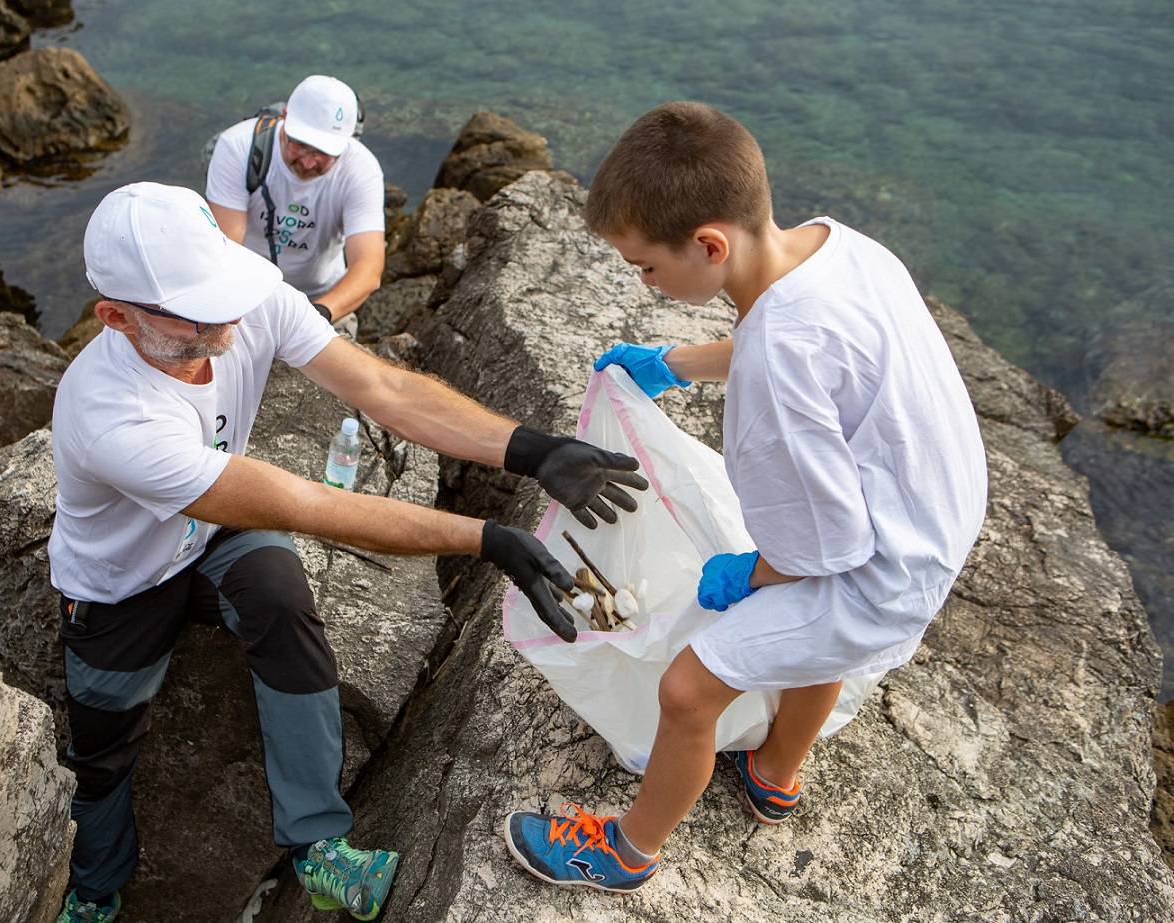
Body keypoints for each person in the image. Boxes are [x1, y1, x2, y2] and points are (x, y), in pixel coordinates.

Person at [49, 181, 646, 922]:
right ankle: (95, 890)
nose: (225, 319)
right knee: (104, 751)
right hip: (118, 583)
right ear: (115, 316)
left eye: (222, 291)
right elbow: (312, 506)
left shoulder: (245, 299)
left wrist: (532, 449)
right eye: (196, 310)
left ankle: (320, 848)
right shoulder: (112, 416)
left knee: (280, 597)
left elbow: (381, 387)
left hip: (210, 541)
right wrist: (482, 536)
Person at [502, 102, 988, 892]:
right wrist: (674, 360)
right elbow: (796, 339)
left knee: (689, 687)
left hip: (880, 570)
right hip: (938, 512)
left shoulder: (773, 376)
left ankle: (624, 853)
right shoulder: (840, 246)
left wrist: (749, 571)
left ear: (708, 245)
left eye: (645, 268)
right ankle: (772, 770)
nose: (644, 283)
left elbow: (822, 552)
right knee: (806, 641)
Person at [205, 74, 384, 333]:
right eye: (301, 145)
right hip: (246, 292)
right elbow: (225, 246)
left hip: (321, 297)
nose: (309, 162)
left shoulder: (362, 171)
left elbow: (368, 268)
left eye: (324, 152)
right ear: (285, 117)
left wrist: (317, 316)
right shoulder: (239, 146)